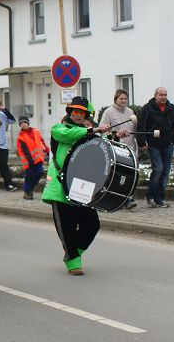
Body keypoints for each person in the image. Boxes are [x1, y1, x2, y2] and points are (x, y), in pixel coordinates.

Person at [43, 97, 111, 275]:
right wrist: (93, 130)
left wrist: (114, 135)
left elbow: (99, 148)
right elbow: (69, 135)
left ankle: (72, 252)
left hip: (82, 187)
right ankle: (73, 261)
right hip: (60, 187)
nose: (79, 115)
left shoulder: (88, 133)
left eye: (82, 113)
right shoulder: (59, 129)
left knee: (92, 225)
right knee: (67, 228)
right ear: (70, 113)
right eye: (75, 112)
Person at [137, 88, 174, 208]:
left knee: (165, 172)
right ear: (155, 95)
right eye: (161, 95)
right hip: (153, 145)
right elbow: (141, 125)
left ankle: (160, 199)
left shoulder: (172, 108)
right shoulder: (147, 109)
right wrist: (142, 142)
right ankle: (150, 196)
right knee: (158, 169)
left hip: (168, 145)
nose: (163, 97)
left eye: (165, 95)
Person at [98, 90, 138, 210]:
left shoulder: (130, 112)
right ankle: (121, 199)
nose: (124, 101)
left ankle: (129, 198)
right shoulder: (108, 112)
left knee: (131, 174)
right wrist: (116, 134)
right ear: (116, 99)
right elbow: (103, 131)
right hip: (116, 149)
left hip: (130, 149)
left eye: (125, 98)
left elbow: (134, 129)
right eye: (121, 98)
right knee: (119, 175)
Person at [15, 117, 49, 200]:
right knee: (29, 176)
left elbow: (41, 142)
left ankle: (29, 189)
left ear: (28, 123)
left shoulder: (36, 131)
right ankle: (27, 192)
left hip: (38, 159)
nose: (23, 124)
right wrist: (30, 160)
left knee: (40, 172)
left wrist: (47, 150)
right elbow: (25, 150)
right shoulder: (21, 136)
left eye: (24, 122)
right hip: (29, 161)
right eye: (21, 123)